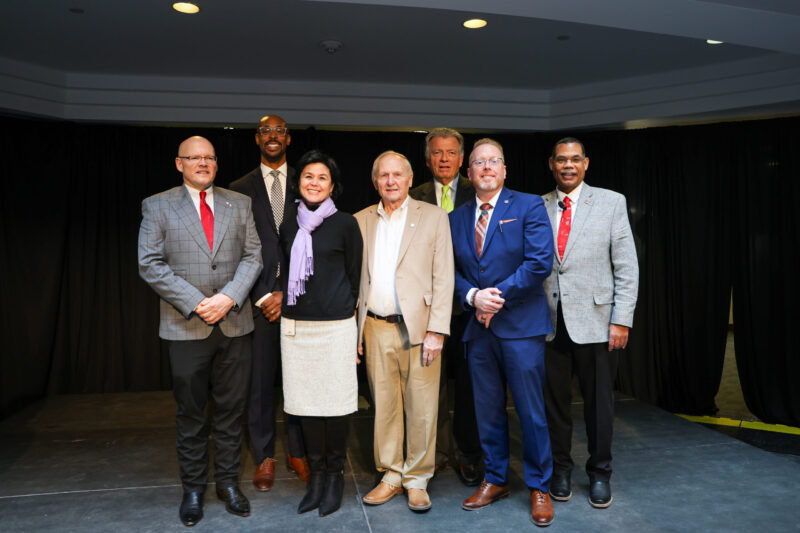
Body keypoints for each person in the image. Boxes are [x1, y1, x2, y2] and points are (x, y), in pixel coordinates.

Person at [138, 136, 262, 527]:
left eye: (209, 157)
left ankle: (227, 484)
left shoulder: (238, 203)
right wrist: (197, 302)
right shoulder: (157, 205)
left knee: (230, 411)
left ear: (216, 163)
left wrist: (228, 298)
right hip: (185, 325)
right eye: (195, 158)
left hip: (235, 323)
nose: (203, 163)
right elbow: (150, 263)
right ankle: (193, 488)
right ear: (180, 164)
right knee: (192, 414)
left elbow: (253, 255)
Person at [449, 138, 555, 526]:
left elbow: (540, 261)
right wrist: (473, 296)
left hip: (520, 328)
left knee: (530, 412)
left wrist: (497, 297)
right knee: (487, 411)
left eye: (494, 161)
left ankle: (539, 485)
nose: (487, 168)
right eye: (479, 163)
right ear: (469, 172)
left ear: (505, 169)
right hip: (478, 331)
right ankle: (495, 479)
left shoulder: (528, 205)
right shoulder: (456, 218)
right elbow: (450, 274)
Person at [542, 137, 639, 509]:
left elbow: (627, 267)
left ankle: (600, 473)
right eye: (561, 160)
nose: (568, 165)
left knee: (599, 406)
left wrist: (621, 319)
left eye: (575, 159)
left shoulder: (611, 202)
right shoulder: (538, 205)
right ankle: (560, 470)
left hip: (598, 323)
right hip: (549, 323)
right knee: (555, 405)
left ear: (586, 164)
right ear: (552, 164)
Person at [355, 151, 454, 512]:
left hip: (420, 328)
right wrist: (356, 333)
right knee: (384, 405)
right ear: (376, 181)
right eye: (384, 175)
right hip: (375, 326)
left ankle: (417, 478)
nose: (391, 181)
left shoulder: (433, 217)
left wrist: (437, 331)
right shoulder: (360, 220)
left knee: (423, 406)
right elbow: (356, 282)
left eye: (398, 174)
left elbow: (444, 277)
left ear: (411, 180)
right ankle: (391, 475)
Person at [278, 150, 363, 517]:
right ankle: (316, 477)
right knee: (305, 406)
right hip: (297, 329)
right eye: (308, 176)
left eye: (322, 177)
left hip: (336, 329)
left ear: (333, 186)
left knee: (337, 405)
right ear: (299, 183)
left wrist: (352, 323)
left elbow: (356, 276)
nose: (314, 182)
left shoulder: (345, 223)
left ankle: (335, 475)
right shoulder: (288, 225)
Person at [229, 115, 310, 492]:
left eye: (279, 131)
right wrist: (264, 294)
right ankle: (264, 456)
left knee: (299, 381)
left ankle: (299, 452)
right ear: (257, 139)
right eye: (265, 131)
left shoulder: (308, 182)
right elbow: (234, 252)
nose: (272, 136)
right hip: (258, 302)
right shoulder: (239, 189)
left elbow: (317, 246)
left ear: (288, 139)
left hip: (301, 300)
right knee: (260, 384)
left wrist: (289, 293)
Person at [409, 127, 483, 486]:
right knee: (431, 387)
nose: (443, 159)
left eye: (451, 153)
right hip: (428, 309)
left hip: (470, 308)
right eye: (437, 153)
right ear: (427, 160)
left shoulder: (478, 192)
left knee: (470, 386)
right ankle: (436, 453)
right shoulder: (414, 196)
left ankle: (469, 453)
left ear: (462, 159)